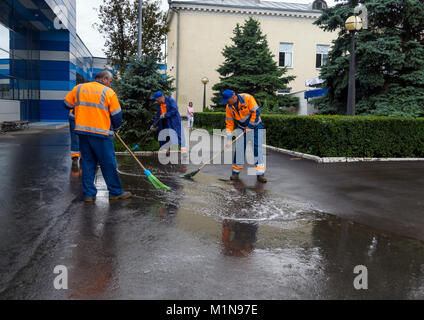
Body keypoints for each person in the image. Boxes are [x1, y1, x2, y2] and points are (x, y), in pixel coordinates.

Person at [64, 70, 132, 202]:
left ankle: (89, 194)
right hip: (101, 134)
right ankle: (115, 192)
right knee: (108, 163)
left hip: (83, 133)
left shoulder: (78, 88)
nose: (110, 85)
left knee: (88, 163)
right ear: (105, 79)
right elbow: (117, 115)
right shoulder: (108, 92)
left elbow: (66, 104)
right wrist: (116, 128)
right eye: (110, 82)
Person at [221, 89, 267, 183]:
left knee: (257, 148)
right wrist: (229, 139)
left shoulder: (247, 98)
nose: (227, 103)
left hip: (256, 125)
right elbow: (229, 124)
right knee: (239, 148)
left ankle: (260, 174)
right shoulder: (228, 107)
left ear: (233, 97)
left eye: (228, 100)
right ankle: (235, 172)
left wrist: (250, 126)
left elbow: (256, 112)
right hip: (242, 127)